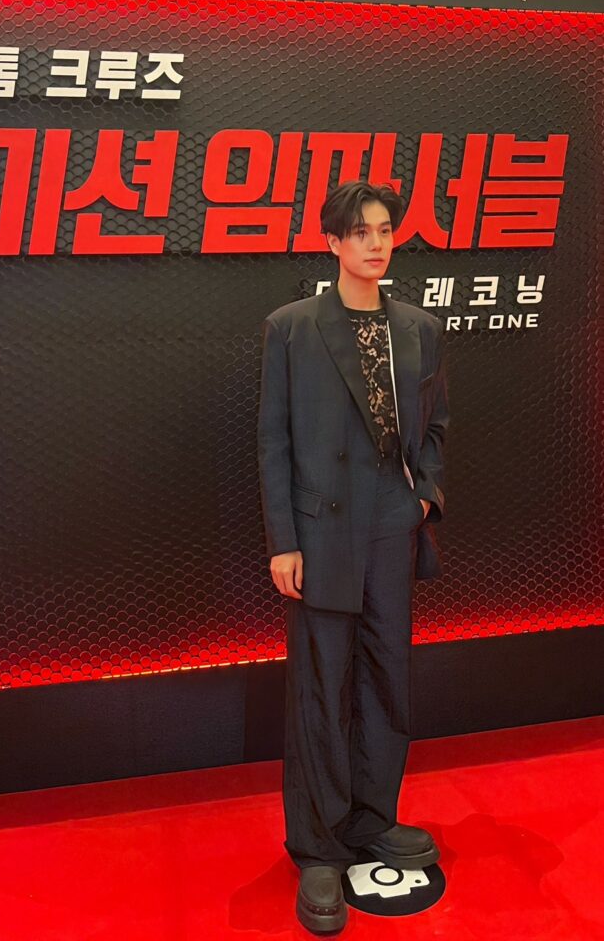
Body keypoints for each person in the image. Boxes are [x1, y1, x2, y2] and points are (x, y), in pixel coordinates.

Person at [257, 179, 449, 934]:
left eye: (385, 230)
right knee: (321, 686)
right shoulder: (292, 328)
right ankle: (318, 847)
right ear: (333, 242)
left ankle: (372, 817)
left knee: (385, 677)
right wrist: (283, 540)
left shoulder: (420, 328)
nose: (375, 243)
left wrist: (423, 496)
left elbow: (437, 426)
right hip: (320, 534)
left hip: (391, 529)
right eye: (360, 231)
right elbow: (273, 442)